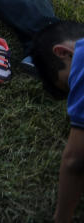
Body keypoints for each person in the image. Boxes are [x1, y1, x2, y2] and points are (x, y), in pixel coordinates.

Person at [30, 21, 84, 222]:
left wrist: (61, 218)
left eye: (70, 83)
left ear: (62, 52)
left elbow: (75, 161)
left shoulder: (81, 57)